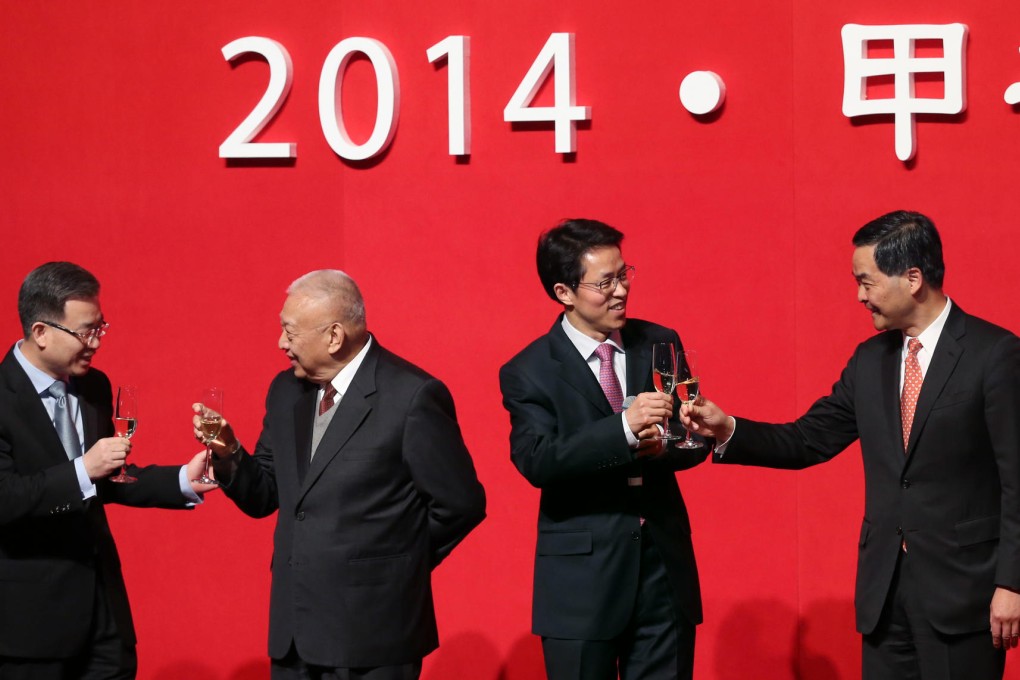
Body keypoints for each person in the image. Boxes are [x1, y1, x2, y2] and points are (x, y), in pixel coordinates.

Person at [683, 210, 1020, 679]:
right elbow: (806, 440)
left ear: (913, 278)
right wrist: (726, 429)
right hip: (883, 596)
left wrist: (1012, 582)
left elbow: (1016, 480)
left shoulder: (994, 353)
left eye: (867, 281)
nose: (860, 296)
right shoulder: (870, 360)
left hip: (965, 594)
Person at [197, 269, 486, 680]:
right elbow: (265, 495)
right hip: (294, 636)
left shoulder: (412, 396)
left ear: (334, 337)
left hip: (376, 634)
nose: (281, 344)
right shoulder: (285, 391)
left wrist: (397, 565)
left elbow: (461, 504)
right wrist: (228, 453)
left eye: (290, 332)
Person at [498, 218, 707, 680]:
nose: (621, 291)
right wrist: (623, 431)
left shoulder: (659, 342)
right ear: (563, 292)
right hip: (581, 584)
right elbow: (537, 459)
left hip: (662, 571)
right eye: (604, 282)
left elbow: (693, 439)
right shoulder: (529, 370)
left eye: (624, 274)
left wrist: (668, 446)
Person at [0, 261, 216, 680]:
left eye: (101, 327)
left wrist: (180, 480)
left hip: (104, 619)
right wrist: (84, 469)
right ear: (41, 332)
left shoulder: (93, 386)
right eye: (86, 331)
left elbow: (104, 483)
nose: (96, 342)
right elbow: (6, 497)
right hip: (30, 628)